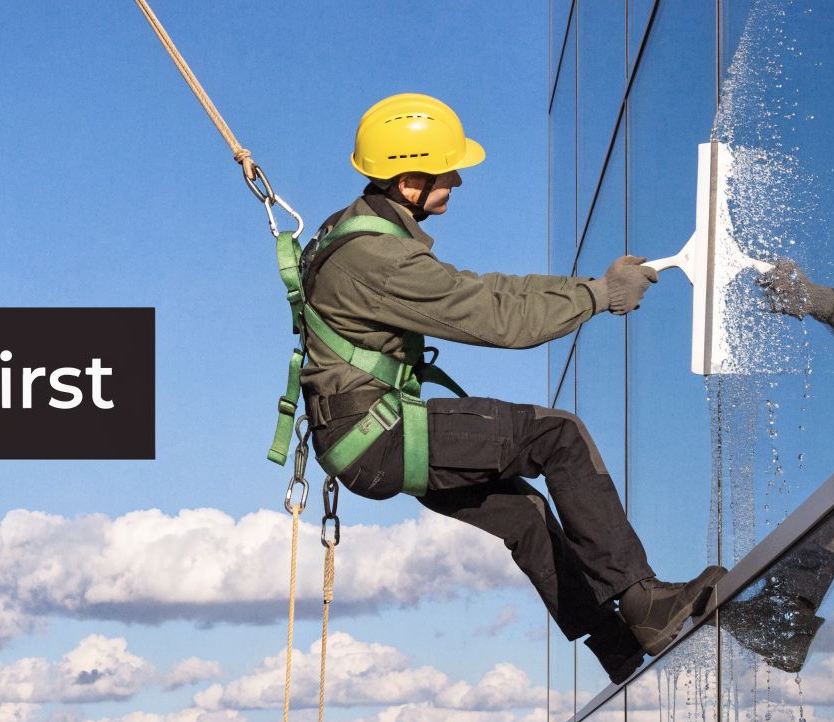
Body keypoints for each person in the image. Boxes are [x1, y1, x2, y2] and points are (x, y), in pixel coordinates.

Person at [300, 93, 725, 684]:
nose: (456, 180)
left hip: (363, 436)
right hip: (379, 436)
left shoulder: (355, 235)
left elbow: (488, 287)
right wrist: (600, 299)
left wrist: (591, 285)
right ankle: (642, 600)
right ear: (408, 181)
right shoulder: (378, 259)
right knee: (558, 436)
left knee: (524, 512)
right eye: (446, 170)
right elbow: (498, 320)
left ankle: (617, 644)